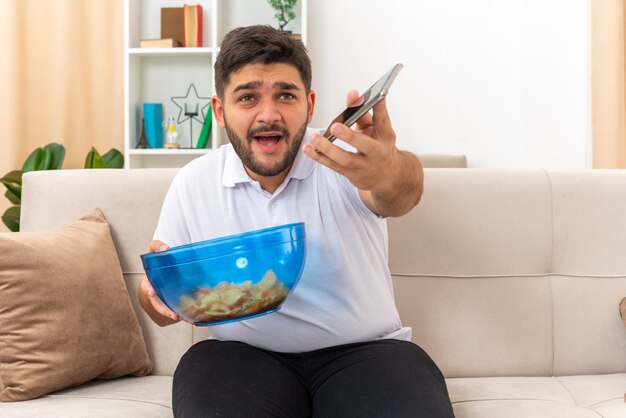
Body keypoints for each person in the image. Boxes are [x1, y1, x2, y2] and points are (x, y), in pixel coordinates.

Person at [138, 25, 455, 418]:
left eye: (285, 95)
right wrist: (156, 295)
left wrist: (387, 171)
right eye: (248, 97)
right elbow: (161, 304)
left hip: (368, 354)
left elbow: (404, 191)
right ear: (220, 111)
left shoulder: (343, 159)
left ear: (309, 104)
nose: (268, 115)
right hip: (238, 359)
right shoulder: (193, 182)